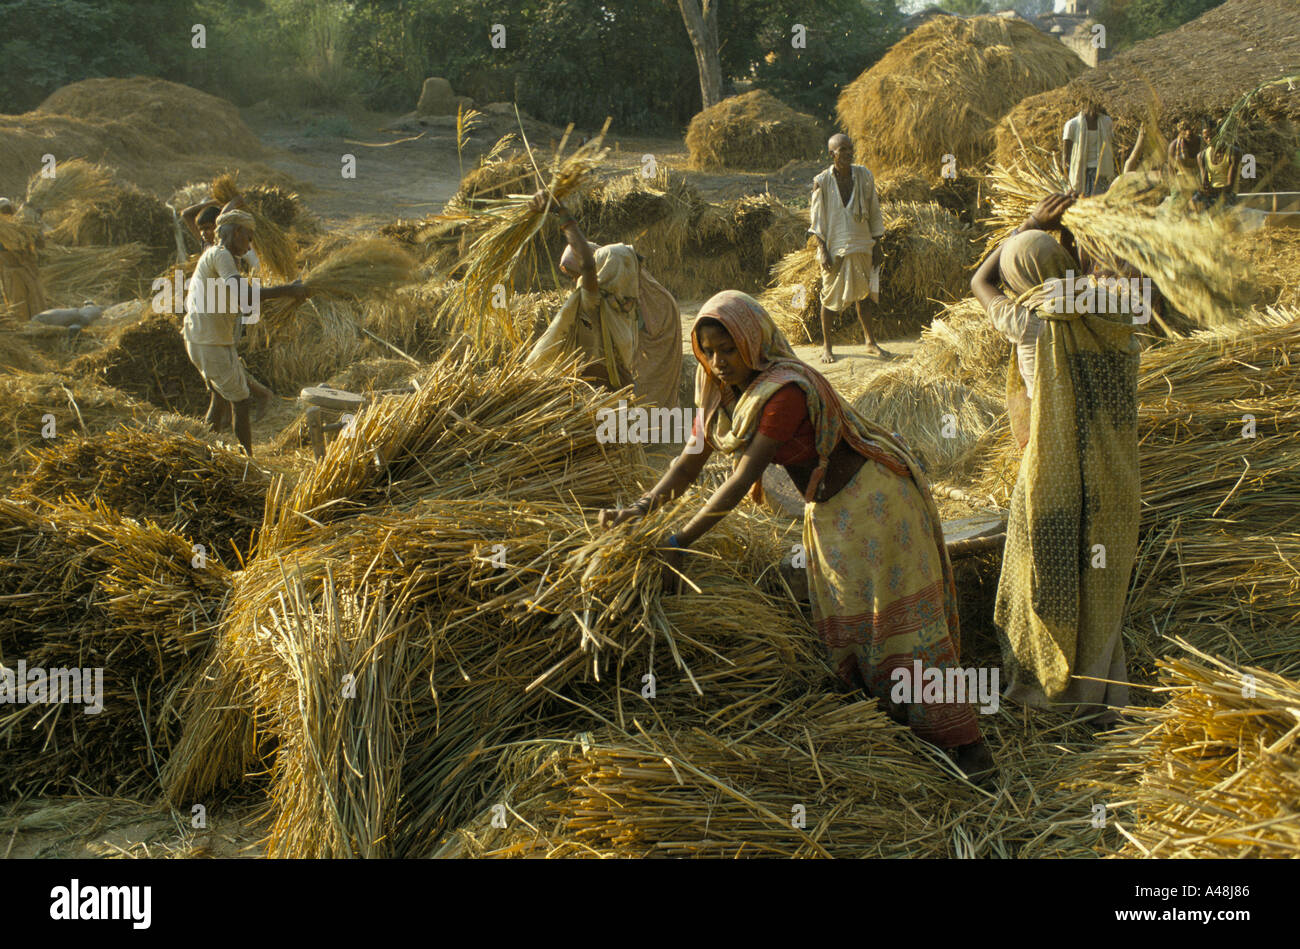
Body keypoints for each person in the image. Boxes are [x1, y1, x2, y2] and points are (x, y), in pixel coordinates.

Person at [598, 290, 995, 783]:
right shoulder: (717, 386)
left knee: (907, 628)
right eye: (709, 349)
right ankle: (901, 727)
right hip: (831, 510)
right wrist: (638, 510)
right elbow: (690, 460)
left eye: (729, 348)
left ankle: (969, 748)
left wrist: (680, 541)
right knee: (857, 624)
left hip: (878, 504)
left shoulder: (783, 390)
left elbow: (740, 480)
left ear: (753, 340)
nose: (719, 361)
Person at [970, 193, 1139, 725]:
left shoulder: (1024, 319)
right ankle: (1102, 693)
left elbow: (980, 281)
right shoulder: (1109, 312)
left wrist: (1027, 225)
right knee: (1101, 580)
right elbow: (1123, 281)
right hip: (1113, 474)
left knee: (1047, 575)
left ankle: (1047, 689)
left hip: (1051, 475)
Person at [524, 190, 682, 409]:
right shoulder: (608, 304)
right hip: (600, 397)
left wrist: (561, 213)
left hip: (606, 399)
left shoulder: (613, 304)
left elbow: (587, 264)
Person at [182, 209, 308, 455]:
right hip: (209, 341)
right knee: (240, 401)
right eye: (248, 238)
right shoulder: (221, 256)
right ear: (236, 232)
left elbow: (240, 300)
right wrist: (289, 291)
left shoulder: (219, 256)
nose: (249, 245)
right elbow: (245, 295)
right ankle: (247, 461)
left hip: (208, 338)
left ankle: (206, 453)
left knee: (219, 398)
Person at [182, 195, 275, 416]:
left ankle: (259, 395)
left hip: (225, 316)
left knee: (227, 374)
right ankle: (253, 399)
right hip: (209, 319)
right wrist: (213, 201)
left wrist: (232, 202)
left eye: (208, 227)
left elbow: (247, 287)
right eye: (201, 228)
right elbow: (186, 215)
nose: (204, 232)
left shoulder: (231, 250)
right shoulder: (212, 248)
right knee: (223, 378)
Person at [809, 133, 887, 362]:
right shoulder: (821, 181)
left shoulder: (864, 176)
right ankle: (827, 347)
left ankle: (870, 342)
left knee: (863, 296)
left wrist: (877, 244)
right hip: (835, 246)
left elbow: (874, 211)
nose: (848, 153)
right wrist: (822, 249)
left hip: (862, 243)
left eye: (850, 148)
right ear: (832, 154)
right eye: (843, 149)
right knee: (829, 298)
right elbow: (817, 221)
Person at [0, 197, 47, 321]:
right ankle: (25, 331)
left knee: (37, 300)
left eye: (8, 210)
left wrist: (36, 222)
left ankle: (40, 327)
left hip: (29, 271)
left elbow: (40, 244)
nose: (7, 213)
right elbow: (13, 245)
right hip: (13, 273)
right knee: (19, 306)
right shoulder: (3, 231)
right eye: (3, 211)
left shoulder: (21, 225)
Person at [1062, 101, 1116, 197]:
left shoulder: (1106, 122)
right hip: (1081, 174)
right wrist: (1068, 176)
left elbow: (1110, 145)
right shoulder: (1072, 125)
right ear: (1086, 103)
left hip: (1101, 172)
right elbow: (1066, 157)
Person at [1197, 116, 1239, 206]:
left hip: (1228, 194)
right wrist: (1204, 189)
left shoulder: (1233, 152)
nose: (1209, 140)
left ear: (1220, 134)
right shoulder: (1202, 155)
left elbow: (1229, 187)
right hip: (1213, 193)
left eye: (1212, 136)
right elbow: (1205, 182)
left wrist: (1212, 191)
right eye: (1206, 138)